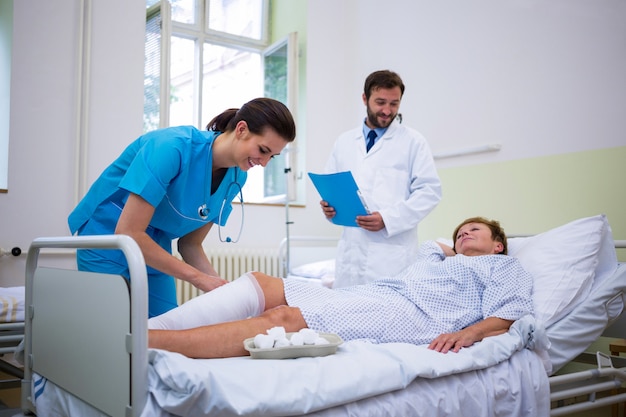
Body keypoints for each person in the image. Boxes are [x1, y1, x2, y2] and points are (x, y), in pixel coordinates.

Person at [148, 217, 534, 358]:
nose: (464, 234)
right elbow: (431, 245)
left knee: (285, 318)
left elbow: (507, 315)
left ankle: (147, 342)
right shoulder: (441, 260)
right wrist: (456, 249)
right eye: (460, 231)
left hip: (414, 316)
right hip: (380, 294)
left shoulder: (502, 266)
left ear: (498, 244)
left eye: (475, 231)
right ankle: (153, 328)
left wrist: (467, 334)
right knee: (265, 283)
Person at [68, 97, 296, 318]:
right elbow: (128, 232)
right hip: (107, 234)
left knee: (165, 331)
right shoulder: (171, 147)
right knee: (110, 334)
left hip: (154, 246)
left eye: (272, 157)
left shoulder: (237, 176)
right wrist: (197, 278)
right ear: (241, 129)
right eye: (263, 150)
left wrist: (225, 292)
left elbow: (190, 244)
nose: (264, 163)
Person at [320, 70, 442, 288]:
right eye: (380, 102)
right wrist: (329, 207)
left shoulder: (413, 142)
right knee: (346, 312)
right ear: (365, 99)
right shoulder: (345, 142)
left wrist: (387, 218)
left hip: (391, 255)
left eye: (394, 104)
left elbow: (430, 192)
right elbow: (331, 185)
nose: (387, 110)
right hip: (351, 253)